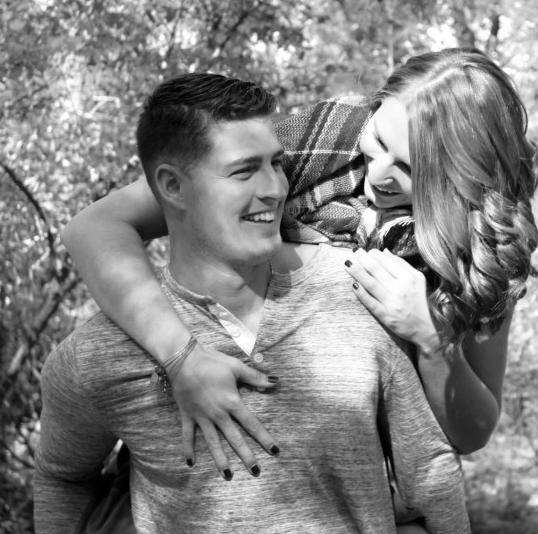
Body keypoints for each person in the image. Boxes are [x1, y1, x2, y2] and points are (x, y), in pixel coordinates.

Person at [60, 48, 538, 473]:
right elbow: (95, 228)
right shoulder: (323, 138)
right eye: (379, 142)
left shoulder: (483, 246)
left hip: (349, 476)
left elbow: (473, 433)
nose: (377, 174)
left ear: (464, 177)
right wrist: (181, 358)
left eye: (409, 168)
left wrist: (433, 341)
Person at [34, 72, 470, 533]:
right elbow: (62, 478)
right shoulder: (97, 355)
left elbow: (431, 474)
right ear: (172, 187)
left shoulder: (363, 294)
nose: (276, 189)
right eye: (244, 171)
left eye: (277, 164)